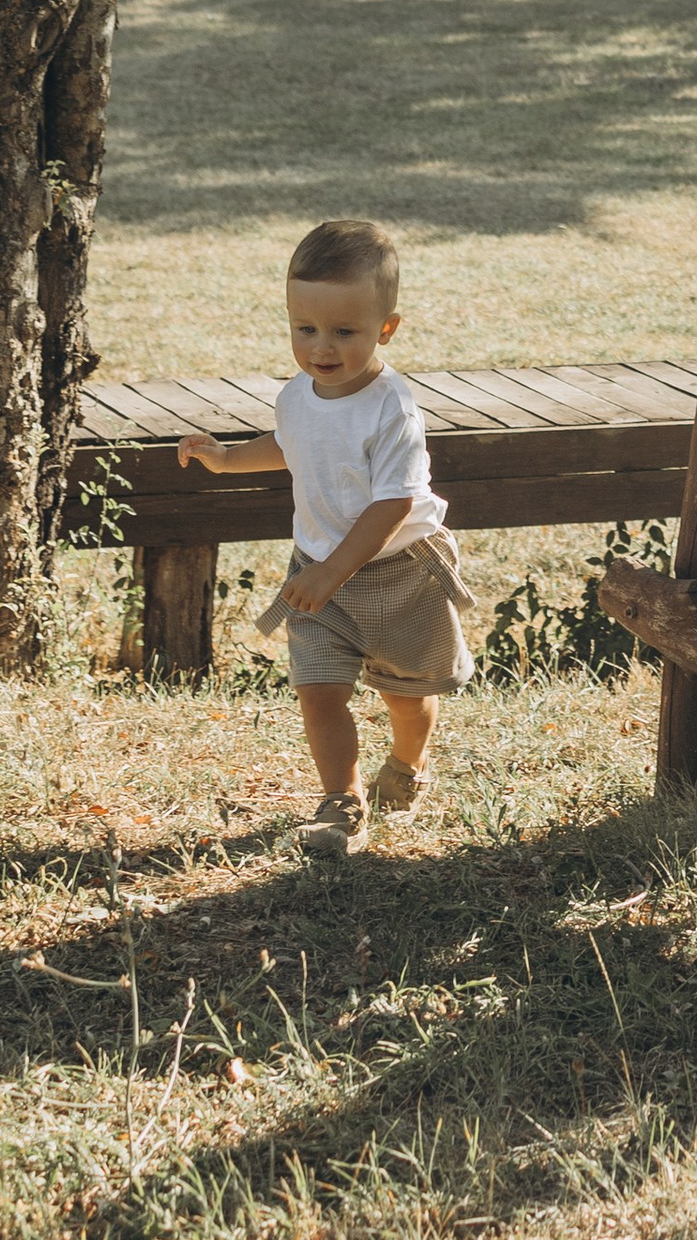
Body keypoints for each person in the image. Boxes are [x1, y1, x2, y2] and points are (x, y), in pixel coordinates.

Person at [175, 218, 475, 858]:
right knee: (318, 692)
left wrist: (332, 571)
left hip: (400, 573)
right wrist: (227, 460)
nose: (322, 347)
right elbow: (290, 445)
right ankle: (342, 801)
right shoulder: (297, 395)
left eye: (345, 332)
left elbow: (393, 501)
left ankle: (408, 763)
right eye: (304, 329)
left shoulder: (391, 408)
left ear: (386, 328)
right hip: (319, 569)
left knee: (406, 693)